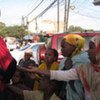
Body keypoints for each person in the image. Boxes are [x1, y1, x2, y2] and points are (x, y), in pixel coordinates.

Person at [26, 36, 100, 100]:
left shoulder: (83, 60)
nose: (87, 51)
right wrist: (38, 71)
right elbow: (61, 75)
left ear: (74, 46)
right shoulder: (85, 67)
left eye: (91, 48)